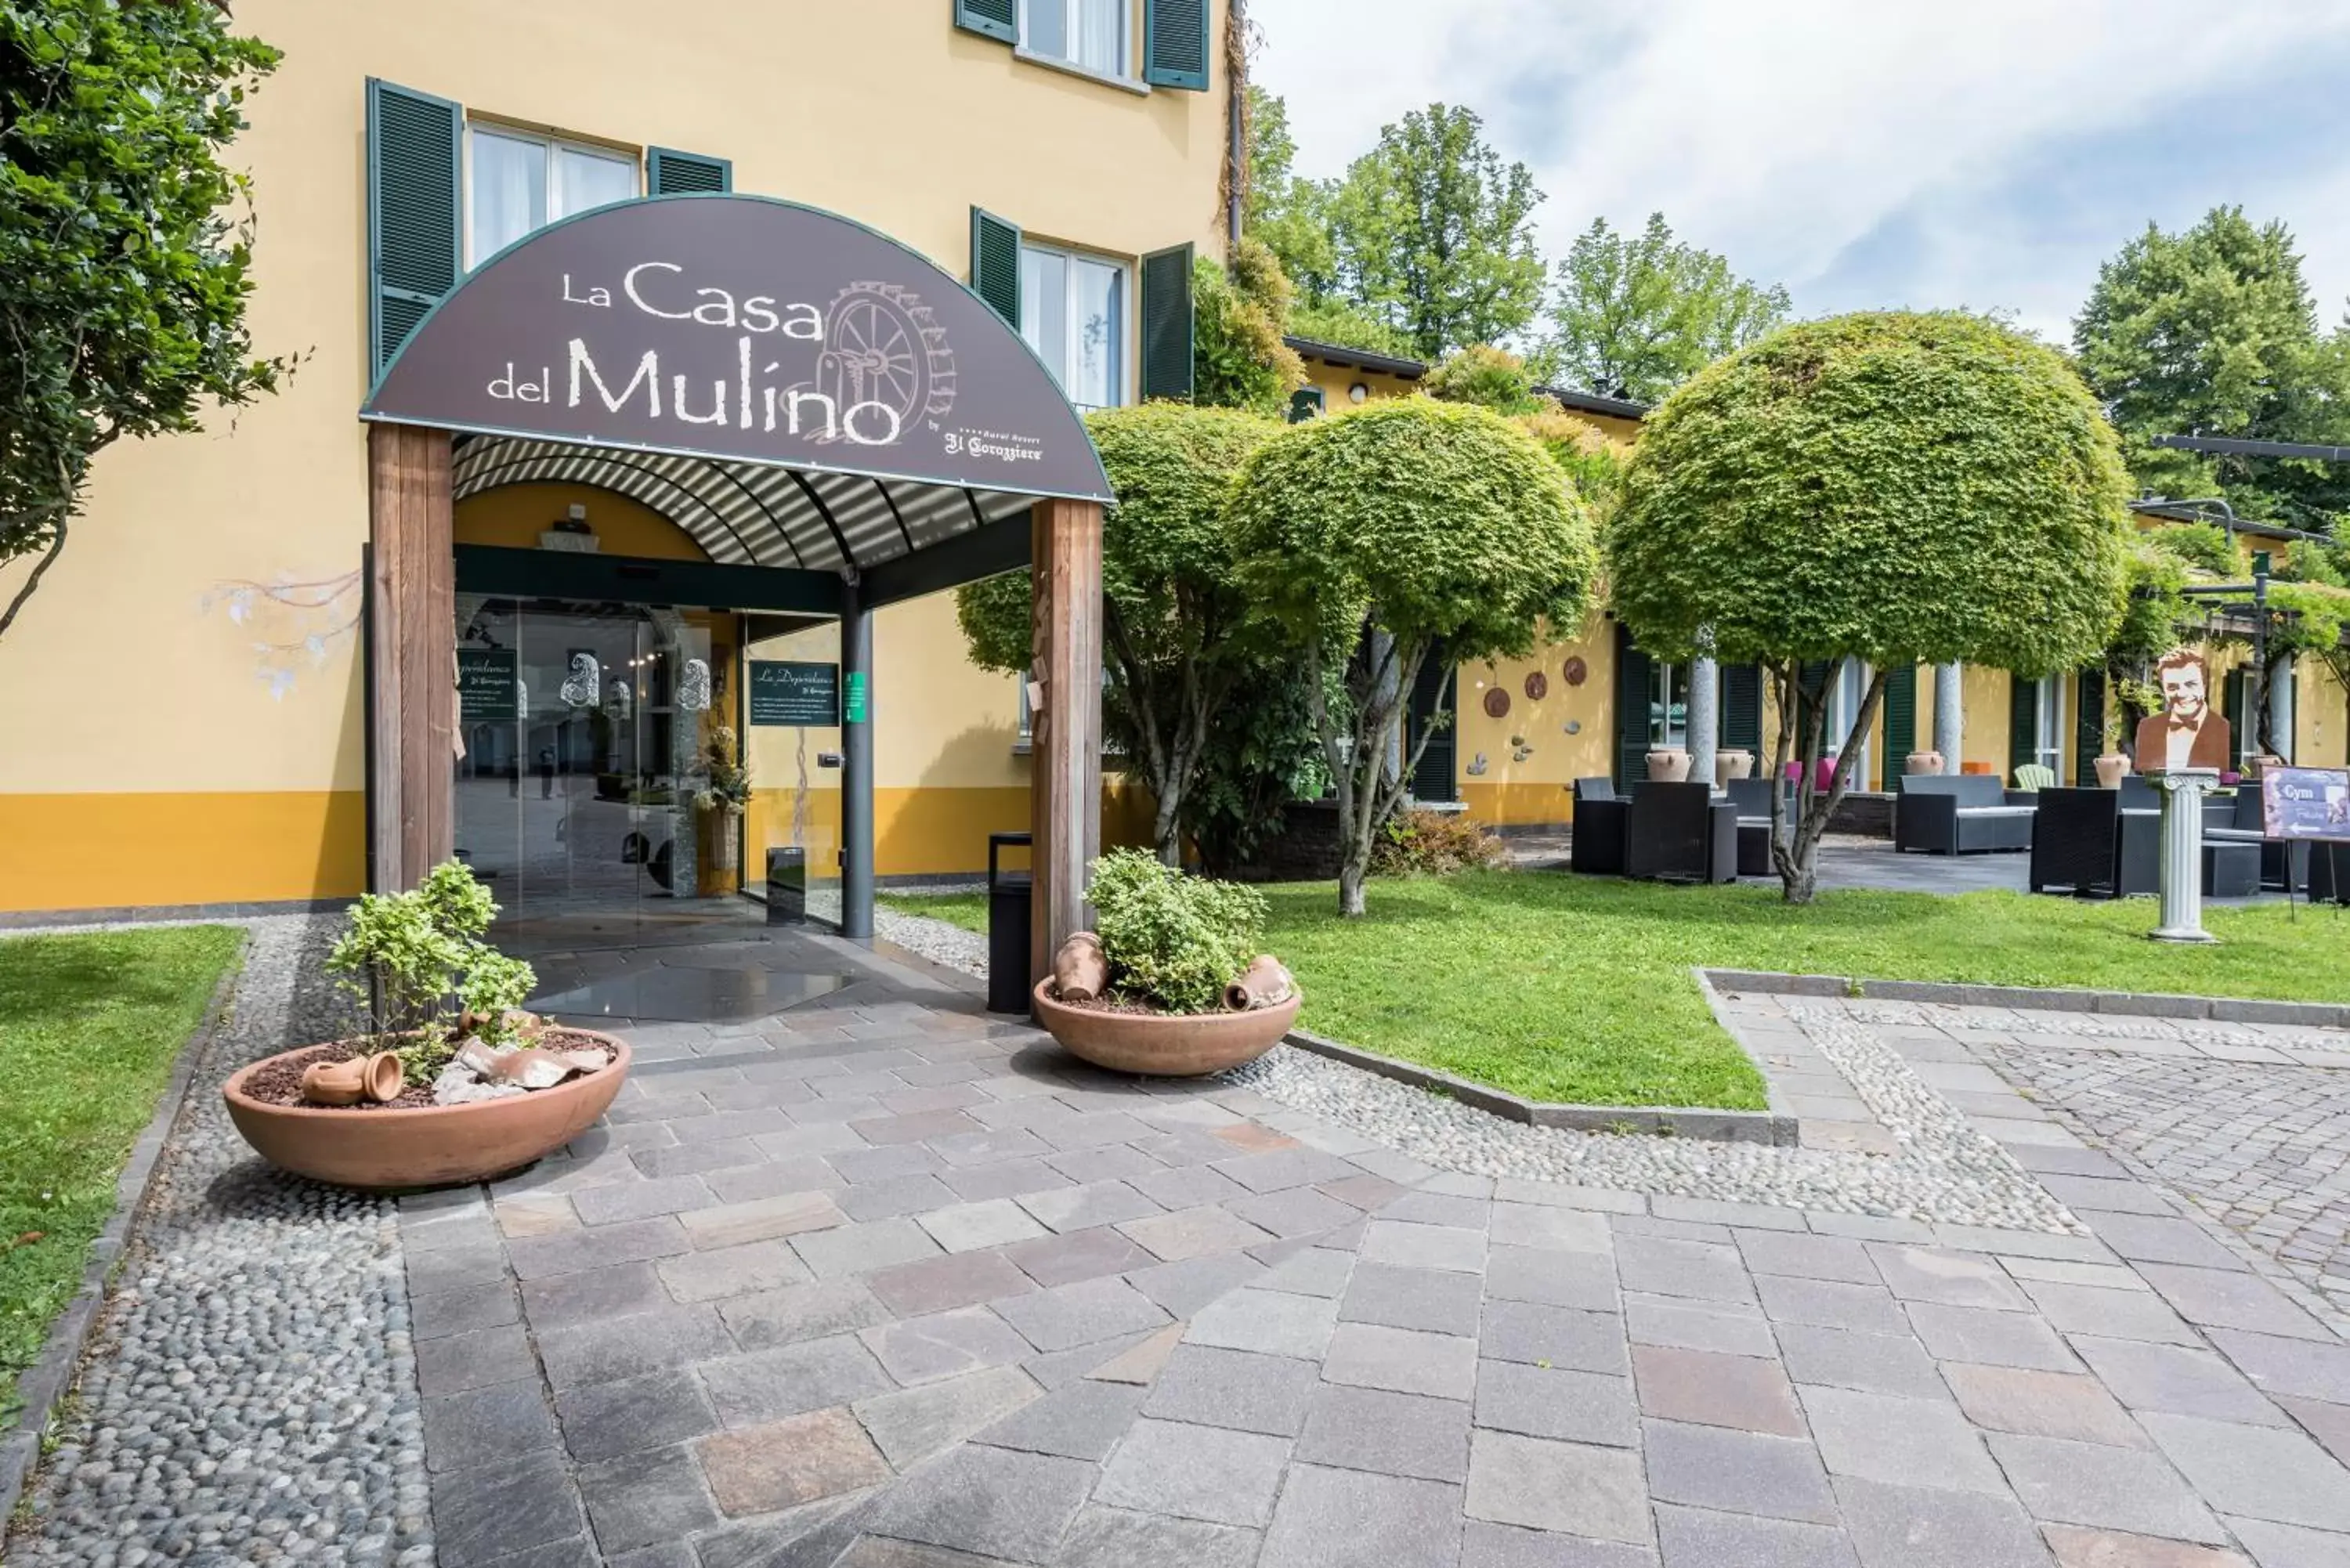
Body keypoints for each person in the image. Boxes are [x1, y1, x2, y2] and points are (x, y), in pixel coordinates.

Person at [2133, 649, 2231, 773]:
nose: (2182, 694)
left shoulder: (2221, 727)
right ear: (2164, 689)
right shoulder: (2148, 727)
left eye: (2191, 685)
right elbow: (2144, 775)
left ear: (2204, 685)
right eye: (2172, 687)